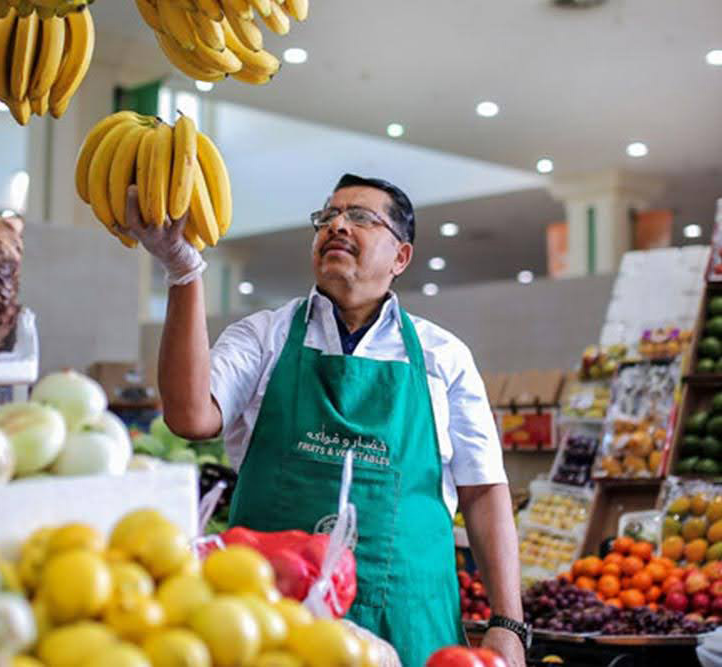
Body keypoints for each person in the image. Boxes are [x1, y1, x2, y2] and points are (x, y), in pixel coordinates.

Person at [123, 174, 527, 667]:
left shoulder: (445, 356)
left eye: (360, 217)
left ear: (401, 257)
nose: (336, 225)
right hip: (269, 621)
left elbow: (483, 490)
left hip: (408, 620)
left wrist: (507, 623)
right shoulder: (263, 336)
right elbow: (190, 416)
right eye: (326, 217)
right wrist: (183, 272)